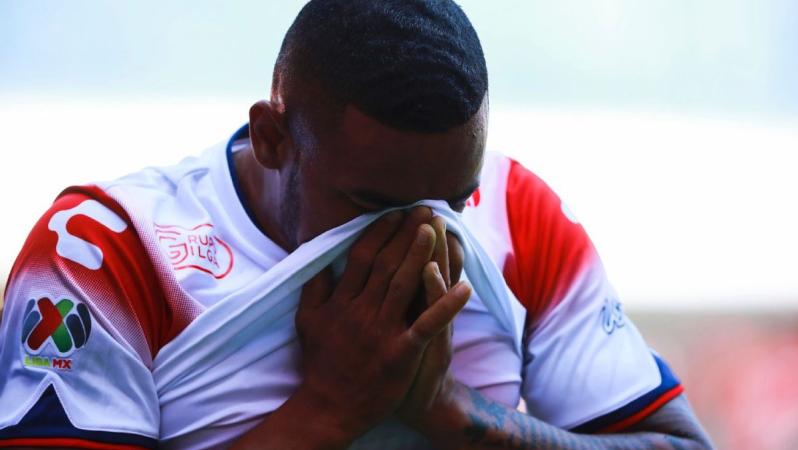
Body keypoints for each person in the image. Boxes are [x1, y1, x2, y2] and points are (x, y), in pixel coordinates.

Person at [0, 1, 713, 449]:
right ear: (274, 138)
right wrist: (330, 409)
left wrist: (447, 411)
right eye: (371, 203)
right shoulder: (103, 251)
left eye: (452, 199)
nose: (424, 238)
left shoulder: (516, 211)